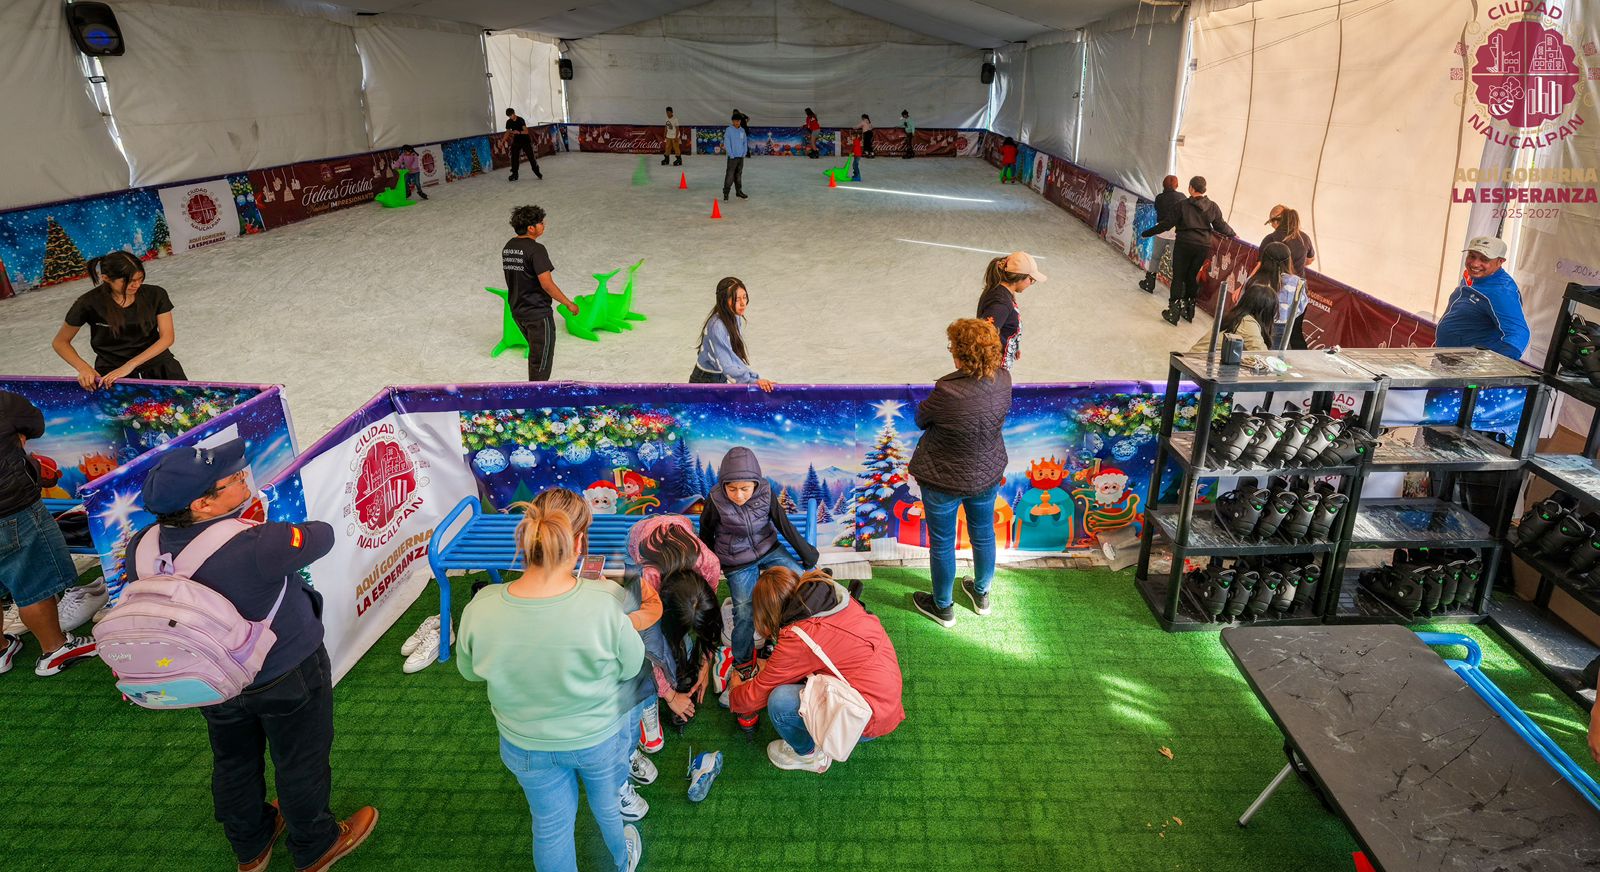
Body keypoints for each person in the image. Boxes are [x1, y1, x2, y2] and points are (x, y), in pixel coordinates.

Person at [127, 438, 375, 872]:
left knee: (233, 758)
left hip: (211, 679)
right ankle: (316, 845)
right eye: (235, 479)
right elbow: (323, 534)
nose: (246, 478)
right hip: (285, 673)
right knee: (300, 760)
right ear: (203, 504)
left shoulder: (142, 546)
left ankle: (251, 845)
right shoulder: (259, 542)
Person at [456, 501, 644, 872]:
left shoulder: (481, 605)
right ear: (578, 545)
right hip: (596, 737)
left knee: (550, 826)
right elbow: (633, 665)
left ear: (525, 546)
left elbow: (470, 672)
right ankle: (621, 862)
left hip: (523, 743)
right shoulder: (606, 599)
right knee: (607, 809)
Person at [729, 567, 904, 773]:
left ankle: (809, 757)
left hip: (865, 721)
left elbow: (755, 697)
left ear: (766, 613)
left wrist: (735, 690)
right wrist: (775, 666)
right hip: (886, 699)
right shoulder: (833, 598)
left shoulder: (797, 638)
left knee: (779, 700)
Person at [907, 320, 1013, 628]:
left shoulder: (947, 390)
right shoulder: (1004, 379)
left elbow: (921, 418)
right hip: (987, 475)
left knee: (942, 542)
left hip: (943, 479)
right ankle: (981, 594)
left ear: (960, 355)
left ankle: (943, 607)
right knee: (983, 533)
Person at [699, 447, 819, 684]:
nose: (739, 495)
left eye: (744, 488)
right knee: (744, 611)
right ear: (723, 485)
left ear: (755, 483)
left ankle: (786, 642)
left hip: (768, 548)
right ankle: (743, 663)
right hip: (736, 559)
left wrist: (807, 555)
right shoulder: (715, 499)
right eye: (732, 489)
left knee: (802, 583)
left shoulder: (765, 491)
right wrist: (709, 568)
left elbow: (783, 524)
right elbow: (706, 533)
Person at [0, 390, 98, 677]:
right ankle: (55, 649)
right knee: (34, 581)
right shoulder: (5, 403)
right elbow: (35, 424)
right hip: (12, 510)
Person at [53, 251, 187, 388]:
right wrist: (83, 368)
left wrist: (129, 365)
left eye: (140, 279)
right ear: (105, 278)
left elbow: (167, 338)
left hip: (159, 365)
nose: (137, 285)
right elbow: (60, 342)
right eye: (128, 281)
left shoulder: (156, 294)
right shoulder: (87, 303)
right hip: (112, 373)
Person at [1140, 175, 1237, 325]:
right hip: (1203, 246)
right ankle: (1189, 310)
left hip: (1184, 244)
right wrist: (1233, 234)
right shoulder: (1212, 206)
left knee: (1178, 276)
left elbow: (1166, 224)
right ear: (1204, 189)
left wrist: (1147, 233)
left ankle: (1174, 311)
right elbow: (1221, 226)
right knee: (1192, 276)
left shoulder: (1182, 205)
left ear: (1191, 188)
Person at [502, 205, 580, 382]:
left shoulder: (509, 247)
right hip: (537, 314)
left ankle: (535, 393)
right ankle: (537, 398)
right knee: (541, 361)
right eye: (540, 223)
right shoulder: (536, 250)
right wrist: (568, 303)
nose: (543, 225)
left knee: (537, 355)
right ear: (531, 228)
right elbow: (547, 284)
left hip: (518, 311)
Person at [1435, 236, 1530, 360]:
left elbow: (1518, 335)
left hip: (1465, 368)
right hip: (1448, 358)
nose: (1474, 264)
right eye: (1472, 256)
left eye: (1484, 259)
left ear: (1500, 261)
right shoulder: (1476, 275)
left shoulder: (1501, 291)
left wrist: (1486, 368)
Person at [690, 277, 775, 391]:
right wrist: (754, 381)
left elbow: (733, 358)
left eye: (744, 297)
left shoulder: (735, 317)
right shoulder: (717, 327)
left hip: (721, 375)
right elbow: (728, 366)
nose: (743, 304)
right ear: (724, 300)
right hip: (704, 380)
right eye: (736, 299)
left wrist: (755, 378)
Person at [978, 251, 1047, 370]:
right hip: (993, 372)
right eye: (1031, 279)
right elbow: (983, 339)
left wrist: (1013, 345)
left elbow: (1003, 327)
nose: (1031, 283)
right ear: (1019, 277)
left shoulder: (1003, 292)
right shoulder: (1000, 304)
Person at [1189, 280, 1275, 354]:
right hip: (1199, 365)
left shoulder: (1236, 316)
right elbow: (1262, 354)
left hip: (1193, 361)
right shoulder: (1247, 323)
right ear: (1267, 311)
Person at [1139, 175, 1185, 293]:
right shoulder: (1182, 197)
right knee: (1176, 262)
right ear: (1176, 185)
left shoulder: (1159, 198)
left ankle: (1149, 283)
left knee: (1155, 257)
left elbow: (1157, 209)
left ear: (1163, 185)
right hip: (1176, 232)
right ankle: (1179, 290)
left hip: (1161, 230)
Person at [503, 108, 541, 181]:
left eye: (511, 115)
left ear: (514, 113)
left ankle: (537, 171)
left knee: (531, 157)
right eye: (509, 116)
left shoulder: (520, 120)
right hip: (516, 141)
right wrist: (503, 141)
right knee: (514, 157)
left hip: (525, 141)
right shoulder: (509, 122)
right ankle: (515, 174)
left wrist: (519, 132)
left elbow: (526, 131)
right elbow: (507, 132)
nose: (510, 117)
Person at [722, 112, 749, 201]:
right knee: (730, 175)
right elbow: (727, 143)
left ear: (740, 121)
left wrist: (744, 152)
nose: (737, 122)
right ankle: (726, 193)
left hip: (740, 157)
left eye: (738, 121)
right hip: (732, 157)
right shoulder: (729, 130)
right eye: (735, 121)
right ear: (732, 121)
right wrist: (731, 154)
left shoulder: (742, 130)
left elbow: (745, 142)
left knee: (738, 175)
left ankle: (739, 191)